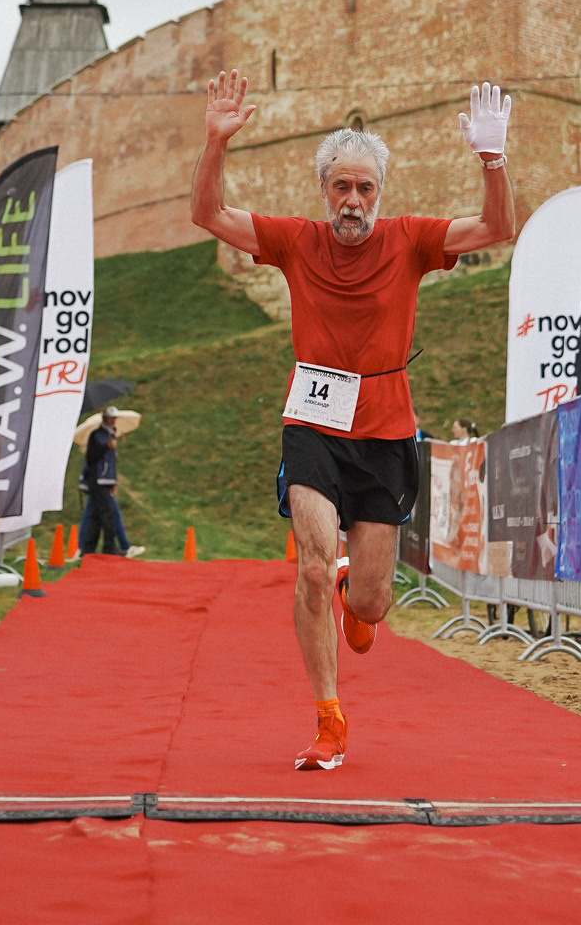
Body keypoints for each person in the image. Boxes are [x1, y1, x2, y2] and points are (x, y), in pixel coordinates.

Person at [192, 71, 514, 771]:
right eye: (341, 187)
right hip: (312, 422)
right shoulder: (295, 239)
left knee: (370, 605)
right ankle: (329, 718)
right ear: (323, 190)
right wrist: (215, 142)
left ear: (381, 195)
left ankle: (352, 591)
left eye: (365, 189)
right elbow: (210, 215)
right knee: (309, 565)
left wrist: (493, 160)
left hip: (388, 429)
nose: (353, 201)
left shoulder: (411, 240)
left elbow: (497, 228)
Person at [79, 415, 135, 558]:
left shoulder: (111, 435)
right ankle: (109, 547)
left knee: (95, 516)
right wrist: (106, 447)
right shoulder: (97, 436)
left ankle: (87, 548)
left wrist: (113, 482)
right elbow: (91, 457)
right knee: (109, 513)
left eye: (114, 418)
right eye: (111, 418)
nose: (113, 421)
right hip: (98, 481)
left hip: (105, 481)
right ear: (105, 419)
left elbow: (111, 465)